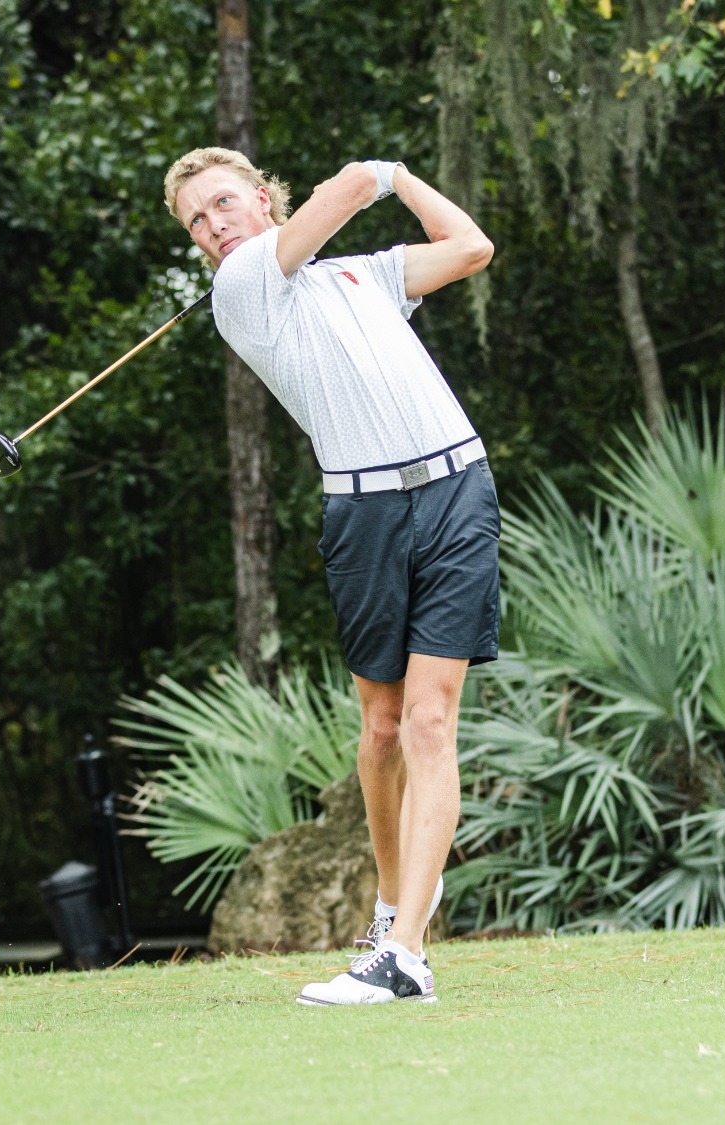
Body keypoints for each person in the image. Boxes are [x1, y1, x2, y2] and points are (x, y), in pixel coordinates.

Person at [164, 149, 497, 1004]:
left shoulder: (361, 274)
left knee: (429, 720)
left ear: (263, 197)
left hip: (458, 487)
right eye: (196, 220)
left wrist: (403, 177)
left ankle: (405, 953)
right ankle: (392, 907)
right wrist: (374, 171)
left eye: (224, 203)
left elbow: (469, 246)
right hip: (364, 515)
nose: (213, 225)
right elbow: (350, 187)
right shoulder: (239, 288)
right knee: (382, 727)